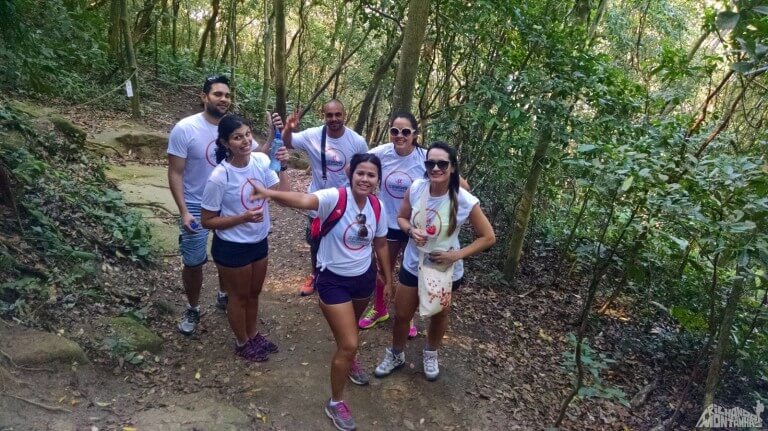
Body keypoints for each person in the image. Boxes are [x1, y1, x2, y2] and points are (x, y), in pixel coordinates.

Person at [251, 153, 392, 431]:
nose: (365, 179)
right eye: (360, 173)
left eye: (371, 175)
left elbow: (381, 244)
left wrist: (388, 278)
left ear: (378, 179)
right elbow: (303, 200)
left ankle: (348, 360)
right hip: (333, 280)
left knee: (350, 333)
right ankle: (335, 402)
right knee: (349, 342)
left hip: (363, 279)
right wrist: (268, 192)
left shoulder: (377, 206)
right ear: (351, 174)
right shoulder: (334, 197)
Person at [374, 141, 495, 382]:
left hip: (445, 268)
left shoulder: (464, 200)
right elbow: (401, 217)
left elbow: (488, 237)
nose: (436, 168)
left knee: (439, 315)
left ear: (452, 167)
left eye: (442, 163)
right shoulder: (417, 187)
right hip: (413, 262)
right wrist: (410, 231)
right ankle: (396, 354)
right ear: (425, 165)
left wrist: (455, 255)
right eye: (431, 163)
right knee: (402, 314)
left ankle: (431, 352)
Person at [199, 114, 290, 361]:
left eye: (247, 134)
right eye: (237, 137)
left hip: (258, 242)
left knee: (253, 293)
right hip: (232, 247)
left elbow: (283, 197)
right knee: (238, 297)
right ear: (225, 143)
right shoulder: (220, 176)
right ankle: (241, 342)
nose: (245, 141)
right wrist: (243, 218)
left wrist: (282, 167)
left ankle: (253, 334)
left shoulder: (260, 161)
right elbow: (207, 220)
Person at [167, 75, 235, 335]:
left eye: (227, 95)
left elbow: (251, 153)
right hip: (195, 205)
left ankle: (223, 294)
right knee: (194, 262)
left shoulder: (230, 127)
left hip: (227, 204)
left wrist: (273, 136)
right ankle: (193, 307)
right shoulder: (186, 128)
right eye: (218, 94)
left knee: (226, 256)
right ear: (204, 96)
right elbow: (175, 172)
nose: (223, 99)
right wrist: (183, 210)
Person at [281, 100, 368, 296]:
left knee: (344, 239)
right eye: (330, 115)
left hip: (346, 202)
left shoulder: (357, 141)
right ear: (324, 116)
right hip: (318, 201)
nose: (334, 119)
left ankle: (340, 277)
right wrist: (288, 128)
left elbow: (366, 169)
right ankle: (315, 274)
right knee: (315, 239)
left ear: (344, 115)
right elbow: (288, 142)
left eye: (338, 114)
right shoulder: (313, 135)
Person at [359, 112, 425, 337]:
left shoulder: (425, 158)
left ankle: (408, 316)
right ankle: (380, 309)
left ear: (415, 134)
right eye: (395, 131)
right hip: (387, 222)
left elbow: (456, 182)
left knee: (412, 272)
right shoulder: (380, 153)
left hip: (416, 225)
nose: (400, 136)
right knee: (382, 268)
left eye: (406, 131)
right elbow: (357, 168)